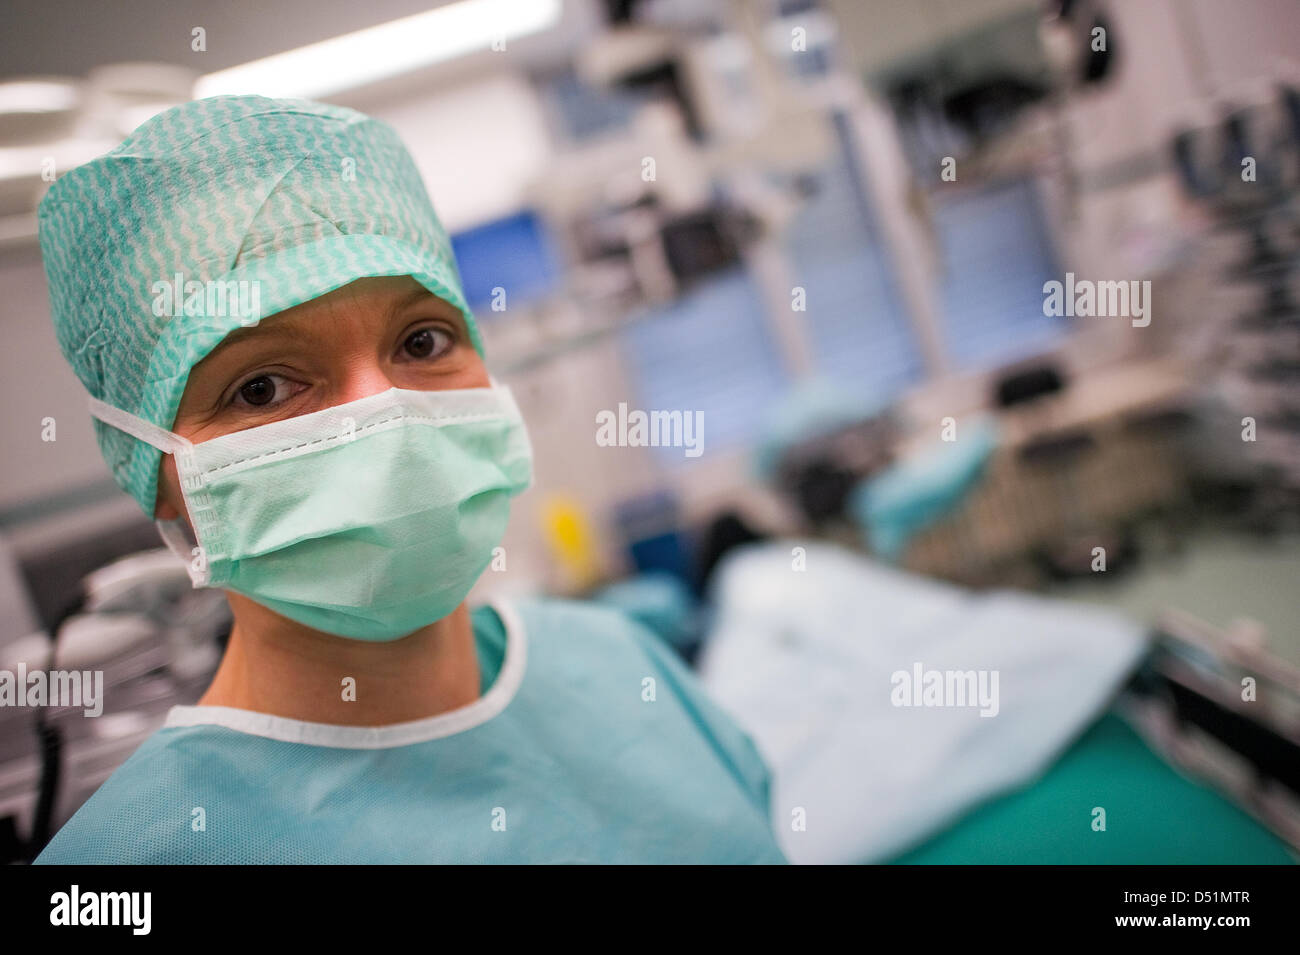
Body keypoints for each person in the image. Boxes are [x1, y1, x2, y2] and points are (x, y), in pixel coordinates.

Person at [33, 95, 785, 864]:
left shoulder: (623, 670)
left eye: (423, 339)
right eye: (261, 386)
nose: (387, 418)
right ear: (150, 467)